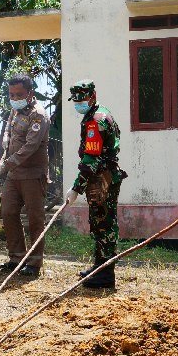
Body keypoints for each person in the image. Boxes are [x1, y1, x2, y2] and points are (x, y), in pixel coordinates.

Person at [63, 79, 126, 289]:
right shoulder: (100, 113)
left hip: (102, 178)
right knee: (100, 223)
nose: (79, 103)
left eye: (82, 98)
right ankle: (99, 266)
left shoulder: (95, 122)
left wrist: (75, 188)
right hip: (104, 175)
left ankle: (106, 274)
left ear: (93, 96)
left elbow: (90, 162)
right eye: (76, 99)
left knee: (104, 224)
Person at [0, 74, 49, 277]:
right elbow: (8, 134)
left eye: (19, 94)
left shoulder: (38, 114)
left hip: (32, 175)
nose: (15, 97)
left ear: (30, 94)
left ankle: (34, 264)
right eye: (11, 94)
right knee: (8, 212)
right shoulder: (14, 111)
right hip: (14, 174)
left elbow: (30, 146)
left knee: (35, 219)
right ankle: (16, 258)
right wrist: (4, 150)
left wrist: (7, 164)